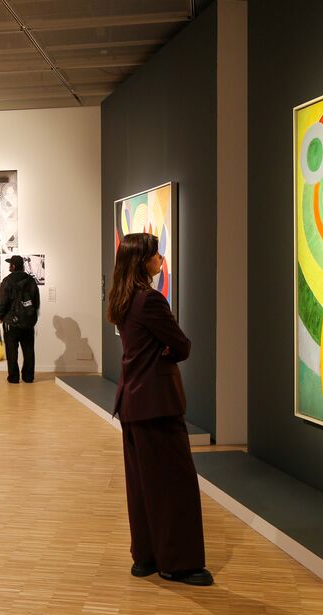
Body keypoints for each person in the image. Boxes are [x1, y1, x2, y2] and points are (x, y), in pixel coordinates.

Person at [106, 232, 212, 586]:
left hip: (132, 402)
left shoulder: (122, 298)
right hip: (156, 404)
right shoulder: (150, 300)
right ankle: (177, 563)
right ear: (142, 261)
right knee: (174, 484)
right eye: (156, 254)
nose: (160, 259)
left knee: (142, 484)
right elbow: (181, 346)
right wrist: (166, 350)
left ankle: (146, 557)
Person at [0, 254, 40, 384]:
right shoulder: (31, 281)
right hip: (28, 322)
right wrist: (31, 317)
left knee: (12, 352)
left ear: (13, 266)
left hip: (11, 323)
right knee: (29, 351)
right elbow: (36, 302)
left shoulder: (7, 281)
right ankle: (28, 377)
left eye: (10, 264)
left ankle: (14, 377)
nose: (9, 266)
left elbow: (2, 301)